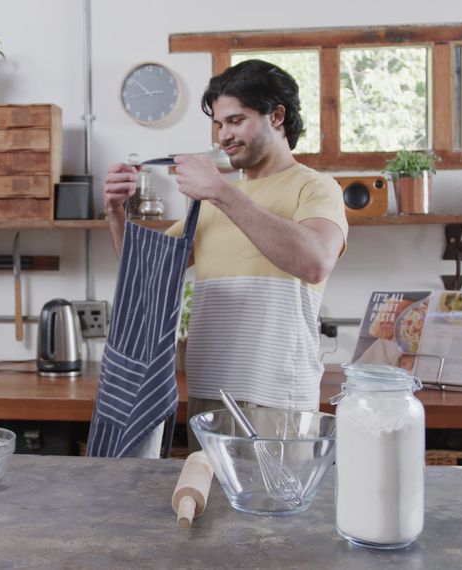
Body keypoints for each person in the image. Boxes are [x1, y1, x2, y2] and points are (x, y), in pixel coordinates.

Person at [103, 59, 349, 450]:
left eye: (236, 121)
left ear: (277, 115)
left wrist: (220, 191)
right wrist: (116, 212)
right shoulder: (213, 199)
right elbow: (145, 275)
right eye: (219, 125)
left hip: (278, 397)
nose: (224, 136)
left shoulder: (316, 188)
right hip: (208, 395)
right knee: (211, 509)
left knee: (275, 509)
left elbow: (315, 262)